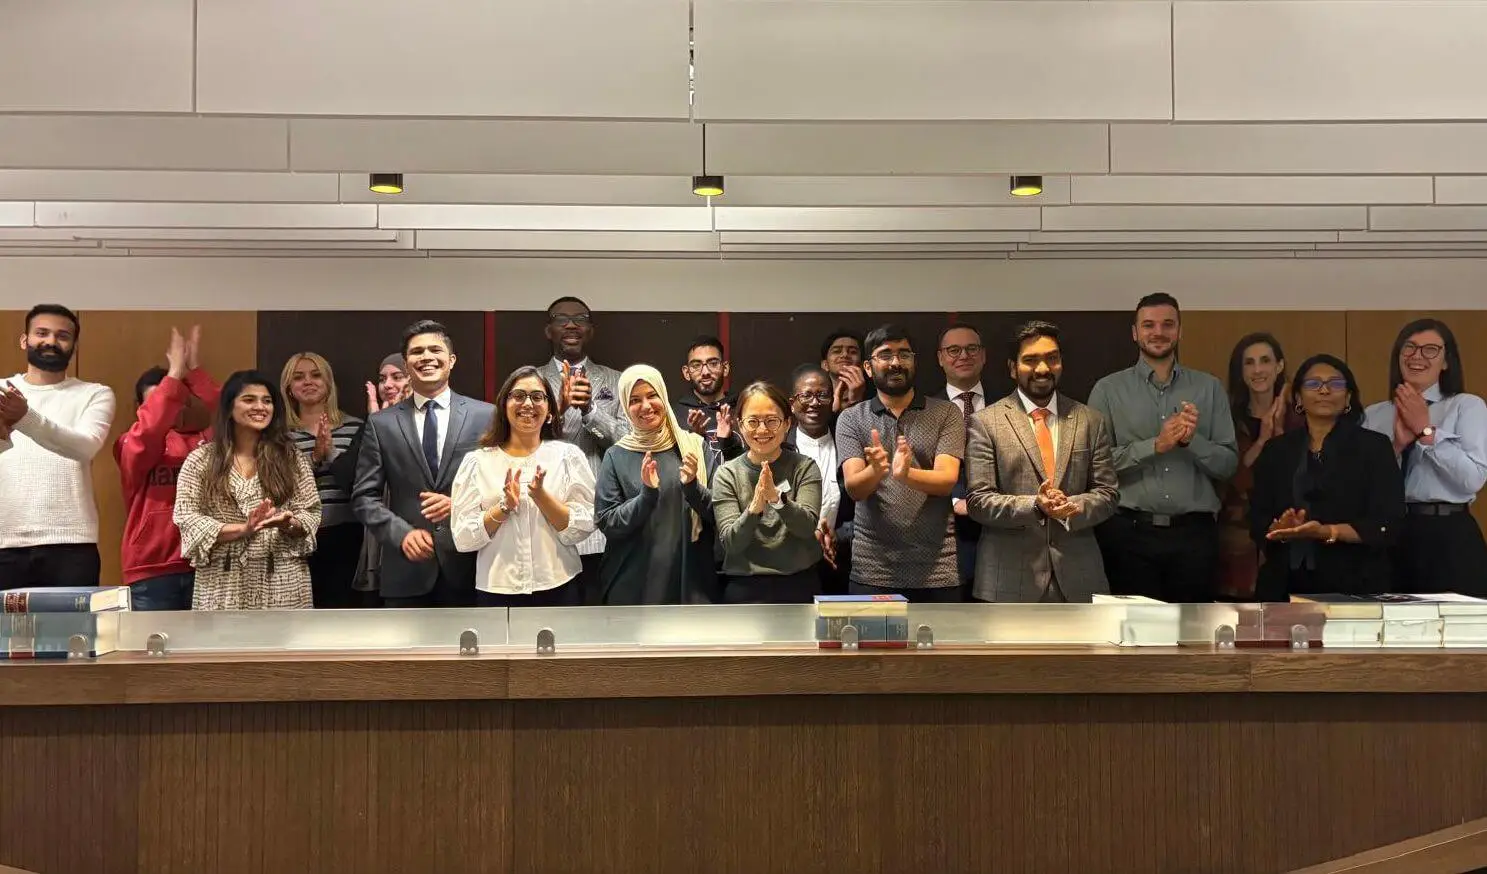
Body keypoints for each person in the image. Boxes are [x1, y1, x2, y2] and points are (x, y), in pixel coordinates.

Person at [1088, 293, 1238, 602]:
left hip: (1195, 536)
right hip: (1129, 534)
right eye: (1149, 325)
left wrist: (1191, 441)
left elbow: (1228, 465)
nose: (1158, 332)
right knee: (1134, 630)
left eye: (1168, 324)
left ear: (1180, 331)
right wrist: (1155, 445)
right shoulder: (1107, 389)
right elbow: (1094, 466)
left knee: (1195, 629)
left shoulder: (1209, 388)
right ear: (1135, 333)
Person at [965, 321, 1119, 603]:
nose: (1043, 368)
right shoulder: (986, 422)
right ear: (1013, 368)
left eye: (1052, 358)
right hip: (1007, 582)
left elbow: (1108, 494)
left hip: (1079, 579)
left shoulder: (1090, 420)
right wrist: (1036, 506)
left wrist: (1071, 507)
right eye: (1031, 360)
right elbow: (978, 501)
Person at [352, 321, 494, 608]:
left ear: (451, 360)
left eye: (435, 350)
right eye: (417, 352)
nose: (426, 356)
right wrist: (400, 533)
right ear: (406, 364)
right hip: (406, 570)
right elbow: (364, 498)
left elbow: (503, 487)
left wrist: (460, 505)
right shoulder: (381, 424)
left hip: (472, 567)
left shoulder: (486, 416)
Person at [1251, 355, 1404, 600]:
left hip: (1355, 582)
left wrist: (1328, 532)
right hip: (1283, 584)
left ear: (1348, 398)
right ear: (1298, 398)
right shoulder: (1276, 450)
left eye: (1335, 384)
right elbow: (1257, 516)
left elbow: (1388, 522)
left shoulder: (1374, 447)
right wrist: (1279, 528)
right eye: (1313, 384)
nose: (1324, 390)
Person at [173, 370, 322, 609]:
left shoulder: (291, 458)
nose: (260, 407)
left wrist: (287, 523)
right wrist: (242, 529)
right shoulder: (201, 460)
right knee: (224, 635)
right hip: (222, 582)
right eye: (249, 399)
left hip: (282, 577)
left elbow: (311, 511)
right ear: (229, 407)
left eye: (267, 401)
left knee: (284, 634)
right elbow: (186, 517)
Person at [836, 325, 964, 601]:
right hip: (873, 570)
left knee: (943, 632)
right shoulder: (851, 418)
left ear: (914, 362)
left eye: (904, 354)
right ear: (868, 367)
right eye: (886, 355)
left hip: (937, 569)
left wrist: (906, 474)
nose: (896, 363)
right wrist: (875, 471)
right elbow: (854, 488)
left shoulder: (946, 413)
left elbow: (946, 480)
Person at [451, 366, 596, 606]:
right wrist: (503, 508)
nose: (528, 404)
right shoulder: (477, 462)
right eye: (518, 395)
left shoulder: (567, 456)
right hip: (497, 589)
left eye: (537, 397)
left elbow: (583, 527)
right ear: (504, 405)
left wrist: (541, 497)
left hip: (560, 584)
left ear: (550, 410)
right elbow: (463, 538)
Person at [1363, 319, 1487, 595]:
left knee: (1457, 621)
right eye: (1409, 347)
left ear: (1446, 361)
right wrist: (1396, 446)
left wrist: (1425, 432)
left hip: (1449, 534)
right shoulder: (1375, 414)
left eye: (1430, 349)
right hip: (1390, 533)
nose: (1417, 356)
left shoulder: (1466, 406)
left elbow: (1473, 479)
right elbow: (1364, 484)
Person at [0, 304, 116, 589]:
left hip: (72, 542)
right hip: (5, 540)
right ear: (24, 340)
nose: (51, 341)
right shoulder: (2, 390)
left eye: (62, 336)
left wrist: (25, 417)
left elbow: (85, 447)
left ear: (74, 346)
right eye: (42, 333)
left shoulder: (95, 394)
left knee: (74, 621)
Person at [115, 326, 218, 610]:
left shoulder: (204, 440)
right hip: (152, 569)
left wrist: (194, 371)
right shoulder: (130, 443)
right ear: (141, 408)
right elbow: (149, 432)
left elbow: (231, 414)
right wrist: (172, 377)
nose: (166, 410)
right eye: (158, 403)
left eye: (173, 402)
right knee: (152, 640)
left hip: (203, 561)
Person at [594, 365, 714, 605]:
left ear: (664, 396)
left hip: (690, 581)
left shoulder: (693, 447)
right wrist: (646, 495)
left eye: (652, 395)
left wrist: (693, 487)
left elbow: (719, 512)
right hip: (632, 585)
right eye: (635, 400)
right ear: (625, 407)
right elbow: (607, 522)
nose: (646, 406)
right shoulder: (616, 456)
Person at [535, 296, 628, 605]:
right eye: (561, 319)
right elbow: (519, 443)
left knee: (599, 617)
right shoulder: (531, 381)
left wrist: (591, 411)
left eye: (580, 319)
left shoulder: (616, 380)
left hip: (600, 523)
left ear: (591, 330)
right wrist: (557, 411)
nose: (571, 325)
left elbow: (629, 444)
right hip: (543, 520)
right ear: (548, 330)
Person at [712, 381, 824, 603]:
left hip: (799, 583)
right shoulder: (727, 474)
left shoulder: (805, 467)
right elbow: (731, 544)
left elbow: (806, 528)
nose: (762, 430)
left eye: (772, 421)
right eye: (752, 421)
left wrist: (777, 499)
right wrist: (754, 509)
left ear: (787, 423)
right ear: (740, 425)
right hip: (745, 587)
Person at [282, 352, 364, 608]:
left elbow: (363, 481)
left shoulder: (357, 427)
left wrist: (332, 454)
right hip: (299, 536)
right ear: (289, 388)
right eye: (299, 377)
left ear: (328, 383)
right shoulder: (280, 435)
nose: (308, 382)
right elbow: (277, 486)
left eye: (316, 375)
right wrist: (315, 458)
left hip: (349, 534)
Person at [1218, 333, 1293, 600]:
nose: (1258, 369)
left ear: (1279, 366)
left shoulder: (1300, 417)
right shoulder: (1226, 418)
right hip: (1237, 541)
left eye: (1265, 361)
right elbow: (1228, 477)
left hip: (1288, 536)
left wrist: (1280, 434)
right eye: (1249, 363)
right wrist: (1262, 440)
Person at [334, 353, 412, 606]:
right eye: (382, 379)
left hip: (414, 532)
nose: (387, 385)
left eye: (397, 377)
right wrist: (374, 424)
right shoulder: (372, 422)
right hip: (376, 537)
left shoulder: (428, 423)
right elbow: (348, 478)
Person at [934, 321, 988, 594]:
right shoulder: (924, 410)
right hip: (942, 535)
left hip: (998, 532)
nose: (964, 356)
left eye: (971, 349)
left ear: (983, 355)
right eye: (954, 350)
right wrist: (955, 500)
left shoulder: (1010, 403)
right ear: (940, 358)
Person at [787, 364, 851, 593]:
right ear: (792, 403)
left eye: (822, 395)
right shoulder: (779, 448)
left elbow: (864, 507)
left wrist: (838, 537)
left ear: (833, 400)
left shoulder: (849, 444)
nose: (814, 403)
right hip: (790, 564)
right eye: (806, 395)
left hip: (841, 560)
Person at [674, 335, 743, 477]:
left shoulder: (743, 408)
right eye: (696, 365)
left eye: (713, 363)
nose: (705, 372)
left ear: (725, 368)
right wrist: (694, 439)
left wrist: (729, 441)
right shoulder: (674, 415)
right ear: (686, 372)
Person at [820, 328, 867, 414]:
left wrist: (856, 400)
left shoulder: (878, 397)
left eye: (853, 352)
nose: (845, 355)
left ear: (862, 365)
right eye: (837, 351)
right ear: (825, 365)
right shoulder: (816, 399)